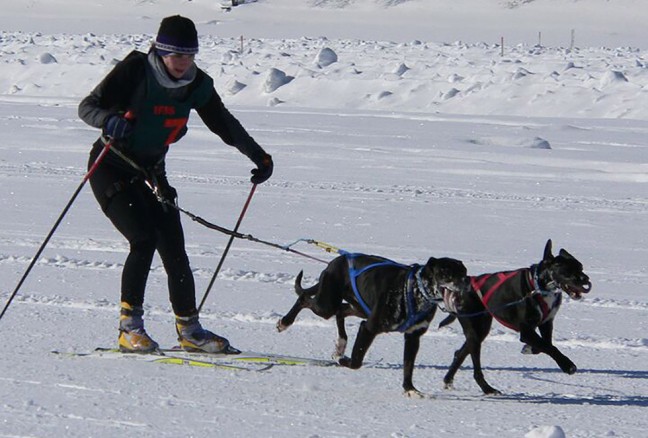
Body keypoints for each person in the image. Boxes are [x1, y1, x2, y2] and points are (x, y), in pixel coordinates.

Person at [78, 15, 273, 353]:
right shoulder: (136, 70)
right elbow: (87, 107)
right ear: (160, 51)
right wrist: (109, 120)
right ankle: (129, 329)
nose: (183, 63)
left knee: (173, 247)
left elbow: (224, 124)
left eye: (189, 56)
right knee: (142, 239)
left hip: (152, 172)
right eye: (176, 56)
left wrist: (259, 157)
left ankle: (190, 330)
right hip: (110, 166)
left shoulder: (196, 85)